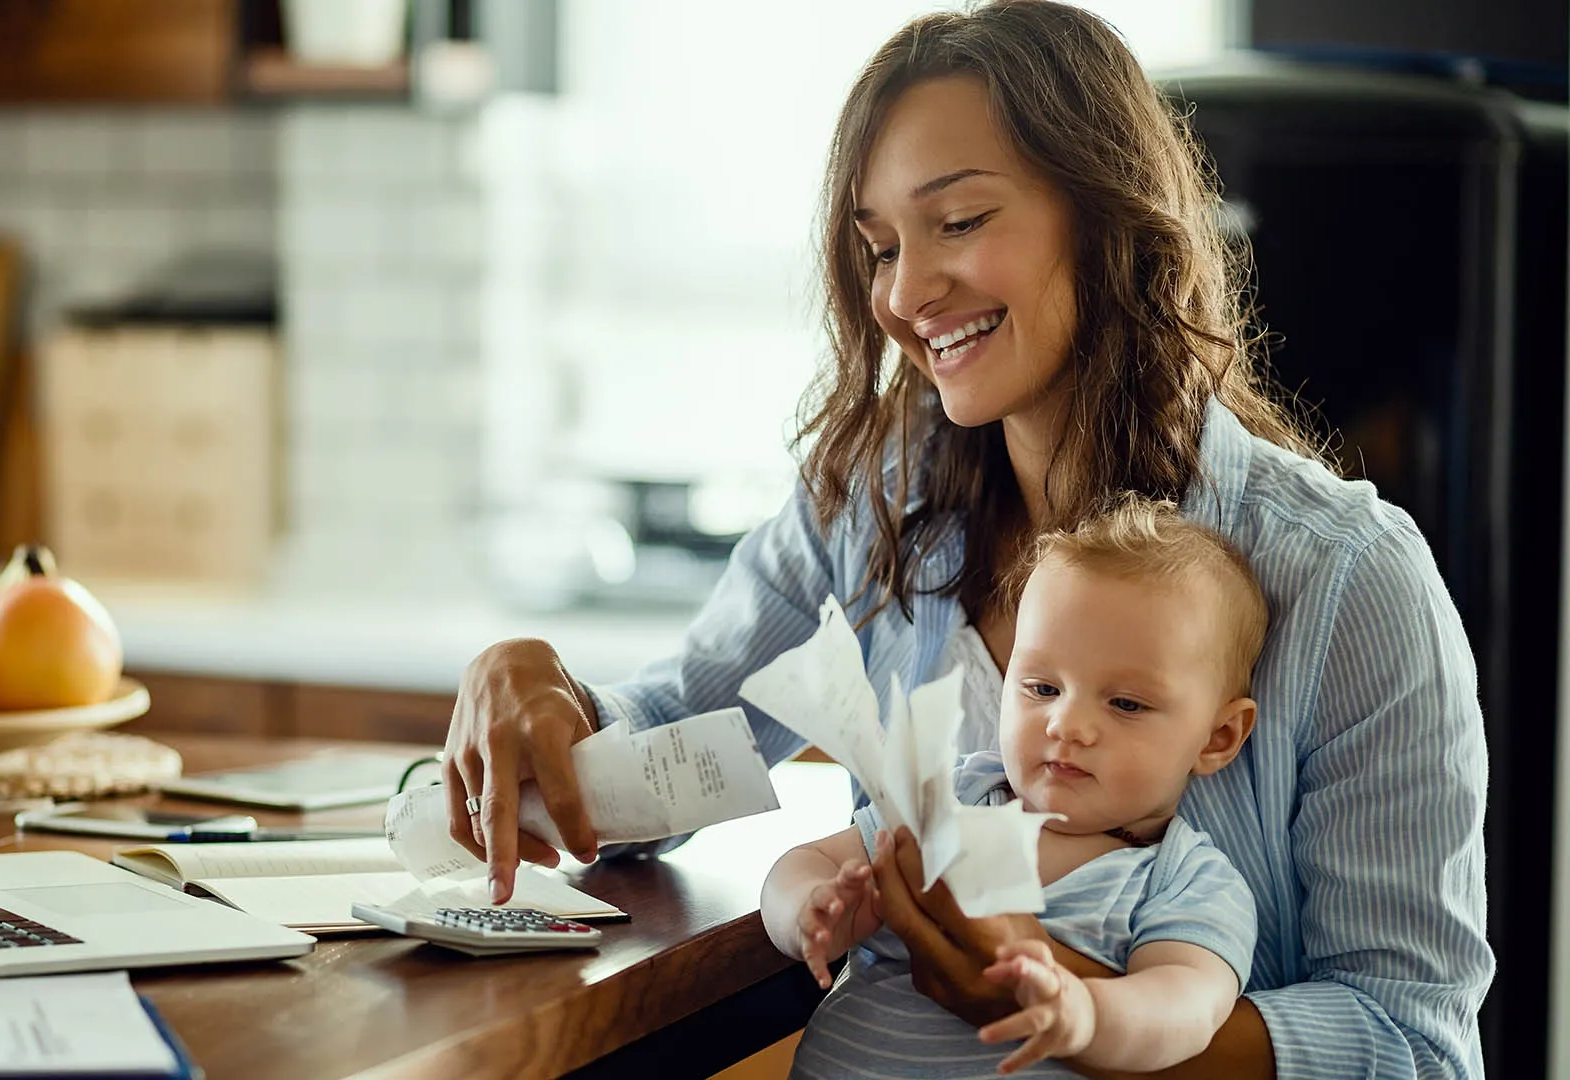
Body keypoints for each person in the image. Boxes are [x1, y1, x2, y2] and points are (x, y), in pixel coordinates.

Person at [442, 3, 1493, 1075]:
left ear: (1104, 214)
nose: (903, 294)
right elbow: (676, 745)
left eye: (958, 223)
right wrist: (551, 706)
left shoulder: (1348, 579)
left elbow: (1414, 1039)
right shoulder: (870, 508)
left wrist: (1068, 1005)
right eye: (881, 246)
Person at [767, 497, 1264, 1077]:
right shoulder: (954, 798)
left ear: (1217, 738)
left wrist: (1088, 1012)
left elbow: (1187, 1009)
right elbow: (805, 861)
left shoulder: (1184, 882)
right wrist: (809, 909)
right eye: (1042, 688)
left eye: (1126, 703)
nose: (1065, 725)